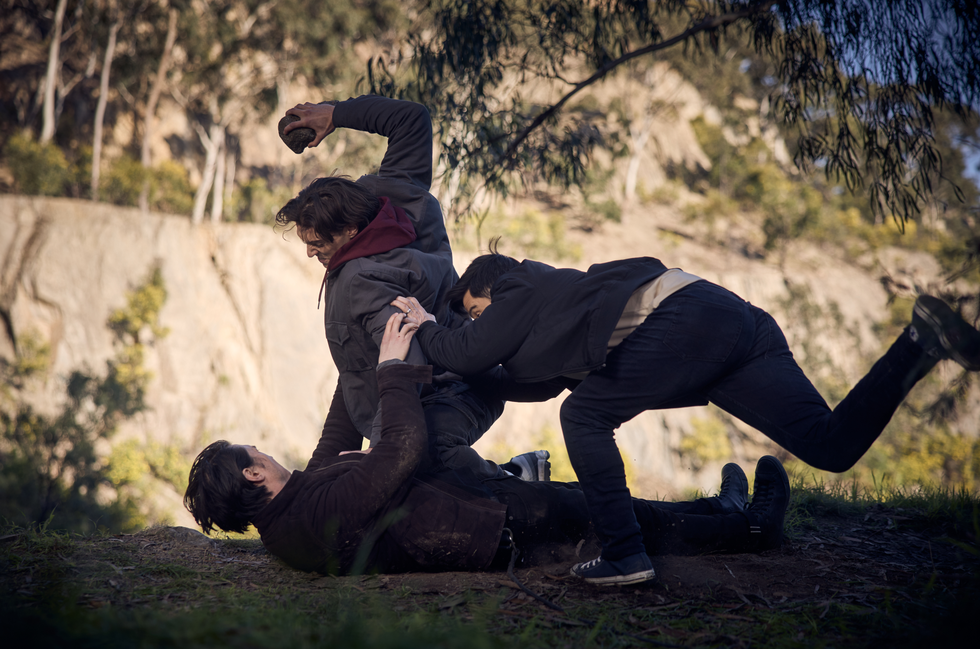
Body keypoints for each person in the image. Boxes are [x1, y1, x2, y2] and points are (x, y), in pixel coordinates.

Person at [393, 248, 980, 586]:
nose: (477, 324)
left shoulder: (521, 284)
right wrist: (450, 369)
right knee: (829, 447)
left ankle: (625, 554)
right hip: (733, 324)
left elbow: (467, 351)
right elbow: (523, 382)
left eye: (475, 312)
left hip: (683, 321)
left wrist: (424, 325)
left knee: (585, 418)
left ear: (490, 288)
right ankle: (918, 343)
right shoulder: (561, 314)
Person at [184, 313, 791, 581]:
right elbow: (399, 451)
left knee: (604, 505)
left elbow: (333, 445)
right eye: (254, 454)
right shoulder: (311, 519)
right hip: (493, 530)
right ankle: (753, 530)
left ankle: (720, 510)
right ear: (254, 475)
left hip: (476, 512)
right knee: (615, 519)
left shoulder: (293, 516)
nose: (263, 451)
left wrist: (359, 370)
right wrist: (394, 371)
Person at [277, 96, 544, 480]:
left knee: (418, 463)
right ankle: (516, 475)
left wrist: (384, 452)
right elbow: (412, 118)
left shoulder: (361, 284)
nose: (309, 253)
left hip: (450, 393)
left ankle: (521, 486)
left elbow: (405, 366)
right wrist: (333, 114)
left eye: (317, 244)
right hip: (473, 378)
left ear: (350, 233)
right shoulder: (397, 196)